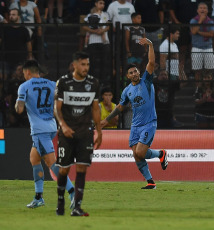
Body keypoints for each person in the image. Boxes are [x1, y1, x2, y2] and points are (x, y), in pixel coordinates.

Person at [101, 38, 168, 189]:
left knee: (140, 152)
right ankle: (150, 181)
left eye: (136, 71)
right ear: (128, 76)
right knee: (136, 155)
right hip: (135, 126)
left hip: (149, 123)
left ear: (139, 72)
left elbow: (151, 63)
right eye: (131, 72)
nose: (134, 73)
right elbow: (120, 106)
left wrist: (150, 45)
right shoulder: (127, 91)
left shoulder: (146, 81)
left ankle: (160, 154)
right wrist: (107, 119)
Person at [14, 60, 75, 209]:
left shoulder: (24, 87)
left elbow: (19, 109)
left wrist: (18, 102)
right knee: (34, 158)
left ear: (28, 72)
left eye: (24, 73)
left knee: (52, 164)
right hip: (51, 126)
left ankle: (73, 192)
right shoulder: (52, 84)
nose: (24, 76)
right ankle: (38, 197)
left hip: (39, 130)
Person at [54, 51, 102, 216]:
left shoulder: (93, 83)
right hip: (67, 133)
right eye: (83, 64)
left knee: (82, 168)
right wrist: (63, 125)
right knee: (64, 170)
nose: (86, 68)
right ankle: (60, 201)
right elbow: (57, 108)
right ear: (74, 65)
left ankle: (77, 207)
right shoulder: (64, 82)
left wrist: (99, 131)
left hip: (85, 133)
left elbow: (96, 108)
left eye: (87, 64)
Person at [83, 0, 111, 85]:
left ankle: (103, 81)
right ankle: (92, 80)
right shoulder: (89, 15)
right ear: (96, 4)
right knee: (92, 62)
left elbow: (109, 25)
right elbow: (84, 26)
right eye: (100, 3)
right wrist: (94, 31)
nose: (102, 5)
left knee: (104, 62)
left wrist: (102, 30)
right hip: (93, 41)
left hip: (104, 41)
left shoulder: (106, 14)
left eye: (103, 3)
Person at [0, 8, 33, 78]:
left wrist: (30, 56)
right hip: (5, 58)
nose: (11, 16)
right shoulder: (5, 29)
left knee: (18, 77)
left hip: (19, 59)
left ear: (19, 16)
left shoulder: (24, 30)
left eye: (13, 15)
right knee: (2, 76)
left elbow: (28, 43)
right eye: (10, 14)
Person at [190, 2, 214, 88]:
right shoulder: (193, 20)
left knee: (209, 70)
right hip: (197, 47)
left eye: (204, 8)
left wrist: (199, 32)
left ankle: (208, 89)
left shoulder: (210, 21)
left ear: (207, 10)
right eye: (201, 8)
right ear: (197, 10)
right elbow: (193, 32)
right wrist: (200, 21)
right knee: (197, 71)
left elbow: (211, 34)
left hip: (208, 47)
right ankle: (198, 89)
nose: (203, 10)